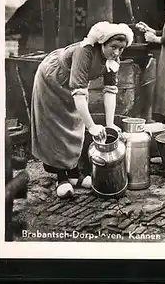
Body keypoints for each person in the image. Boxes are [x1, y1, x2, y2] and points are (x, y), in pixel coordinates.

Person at [31, 21, 134, 198]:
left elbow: (110, 91)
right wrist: (92, 126)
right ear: (102, 43)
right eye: (113, 47)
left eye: (121, 48)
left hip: (73, 86)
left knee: (76, 126)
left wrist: (109, 124)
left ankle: (74, 175)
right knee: (58, 128)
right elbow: (79, 94)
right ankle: (61, 178)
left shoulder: (113, 60)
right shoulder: (84, 51)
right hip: (52, 79)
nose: (117, 52)